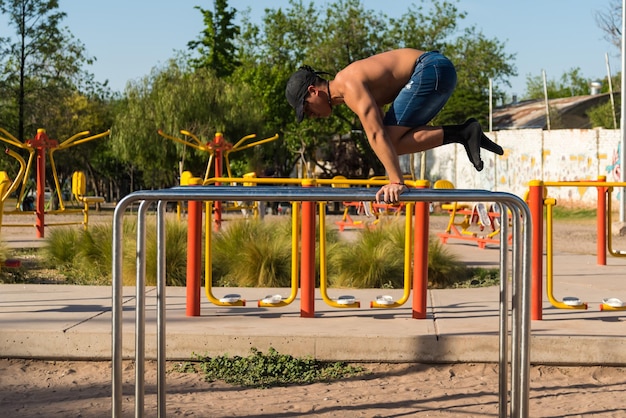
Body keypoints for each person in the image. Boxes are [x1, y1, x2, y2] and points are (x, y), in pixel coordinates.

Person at [285, 48, 503, 204]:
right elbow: (384, 136)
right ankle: (463, 133)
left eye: (306, 109)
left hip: (430, 68)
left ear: (313, 91)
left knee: (386, 139)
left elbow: (377, 135)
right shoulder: (350, 92)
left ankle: (463, 134)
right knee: (391, 142)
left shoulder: (347, 83)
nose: (310, 116)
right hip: (438, 70)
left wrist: (396, 182)